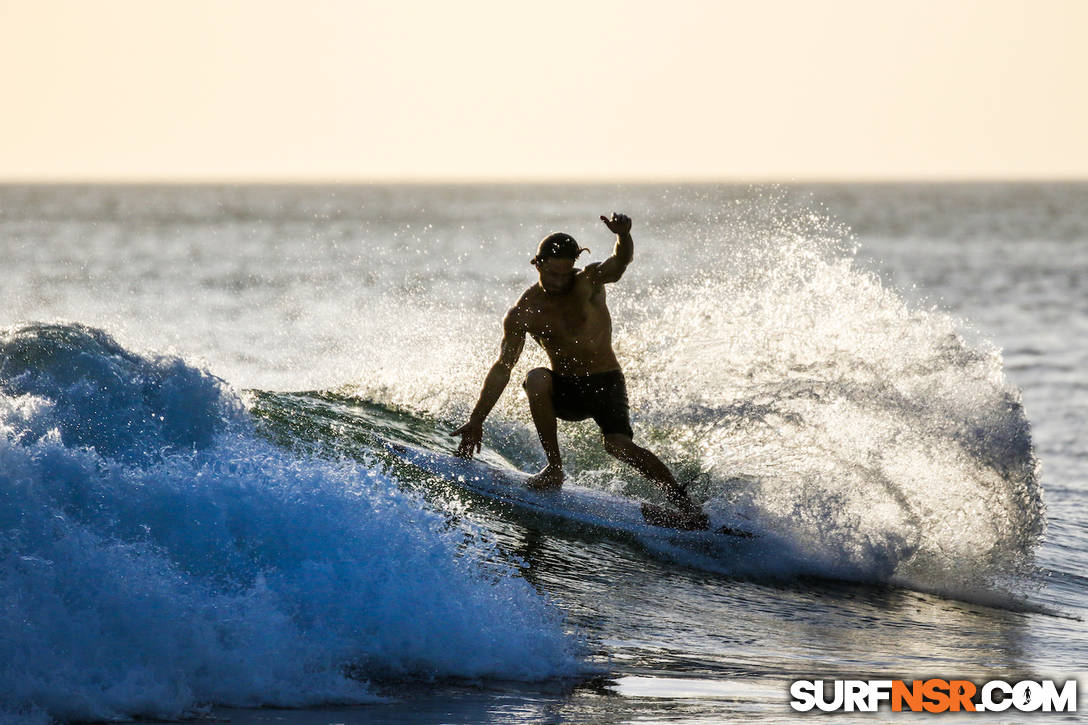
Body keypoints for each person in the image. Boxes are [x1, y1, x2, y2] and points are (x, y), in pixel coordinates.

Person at [450, 213, 708, 530]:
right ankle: (554, 468)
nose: (560, 281)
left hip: (606, 383)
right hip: (566, 390)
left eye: (565, 272)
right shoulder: (525, 311)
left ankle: (687, 507)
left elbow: (620, 262)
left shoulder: (589, 282)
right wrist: (477, 419)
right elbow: (504, 367)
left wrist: (624, 235)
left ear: (574, 264)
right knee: (536, 377)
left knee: (617, 445)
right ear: (537, 264)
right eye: (551, 273)